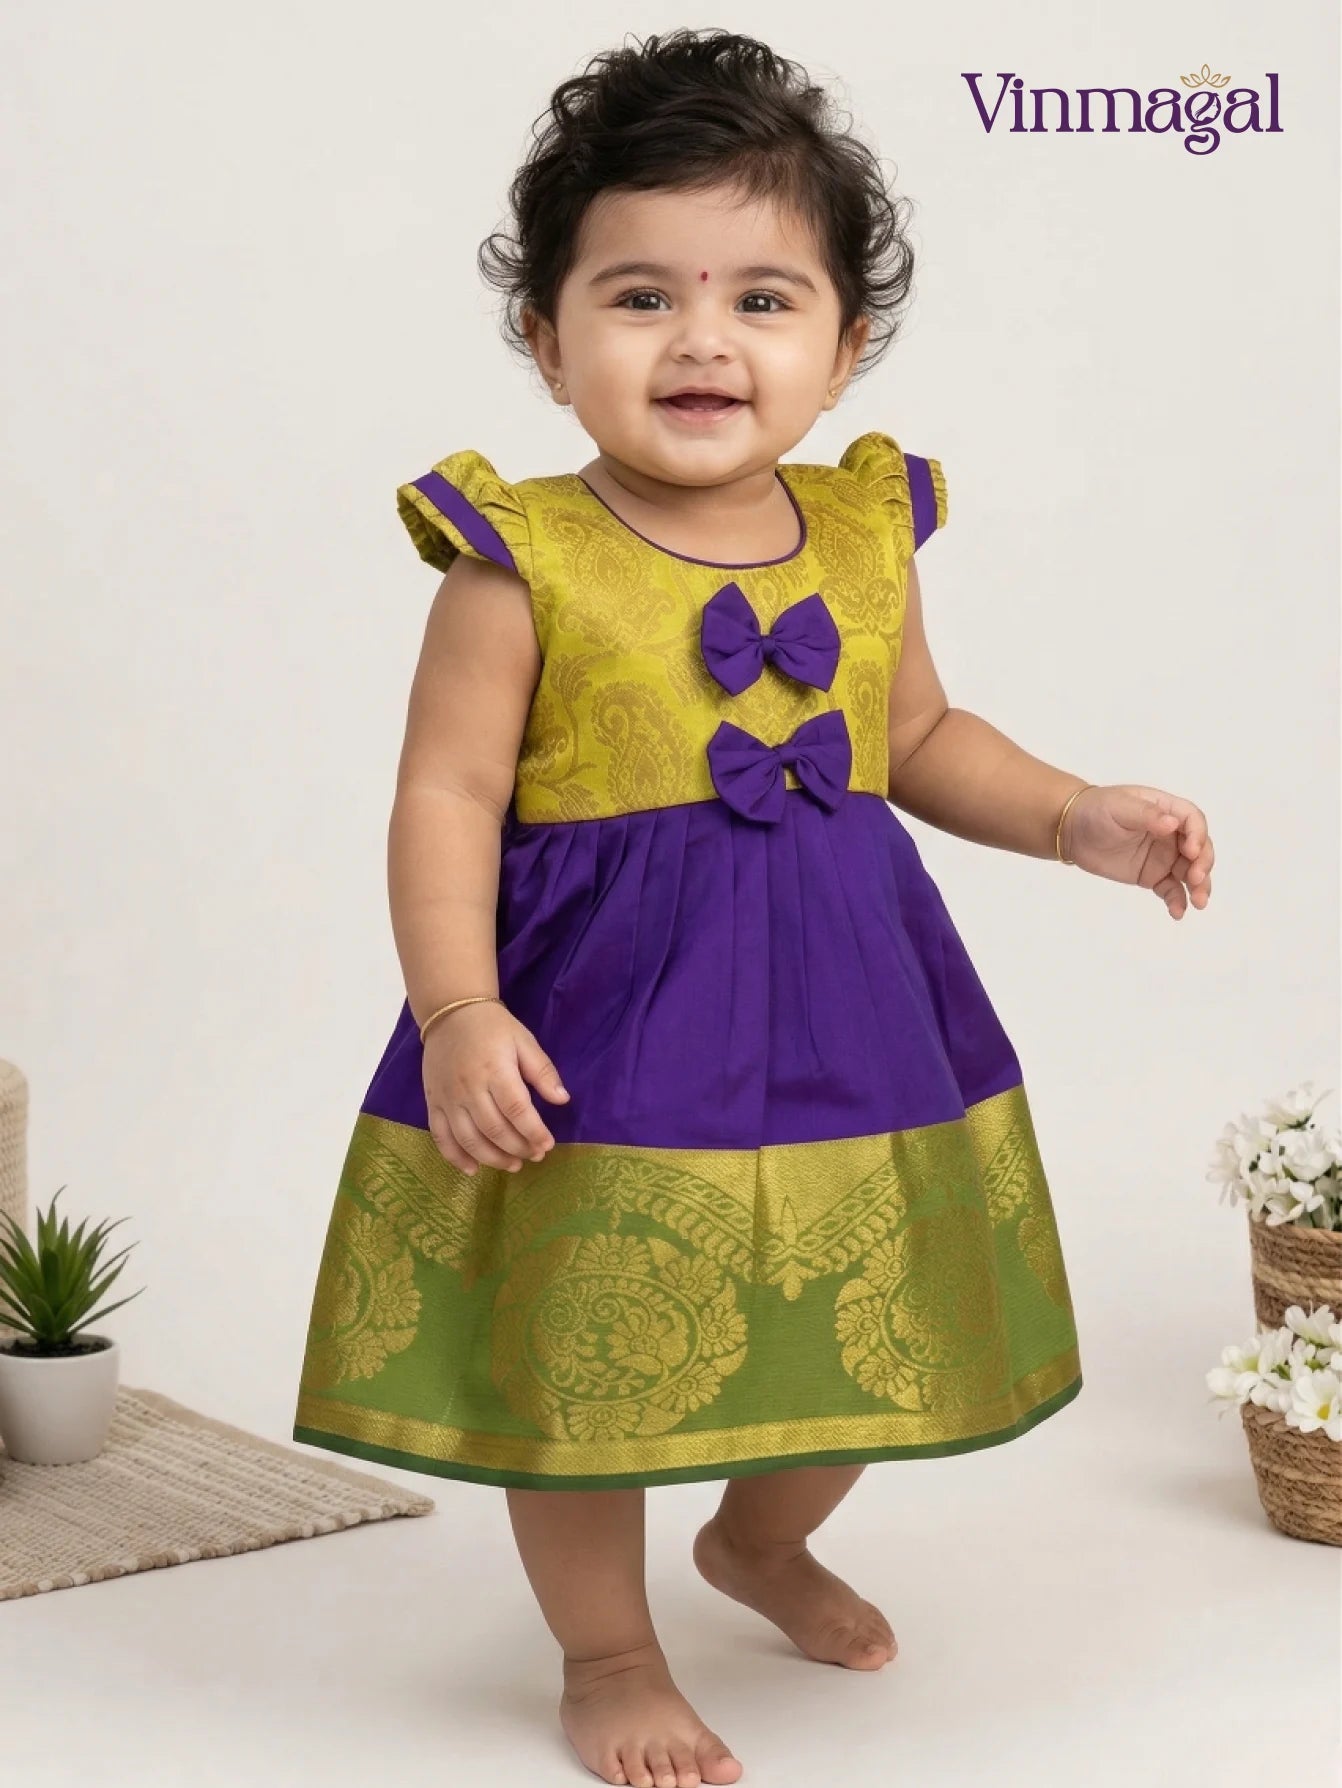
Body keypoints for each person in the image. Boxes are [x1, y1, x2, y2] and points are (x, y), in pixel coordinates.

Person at [292, 27, 1214, 1788]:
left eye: (762, 300)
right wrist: (457, 1010)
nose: (702, 340)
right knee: (590, 1338)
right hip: (605, 1025)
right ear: (546, 340)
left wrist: (1070, 815)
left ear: (842, 346)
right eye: (639, 296)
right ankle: (608, 1649)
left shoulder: (864, 538)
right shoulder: (518, 560)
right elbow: (445, 797)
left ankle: (758, 1540)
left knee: (877, 1303)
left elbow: (917, 738)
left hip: (853, 1010)